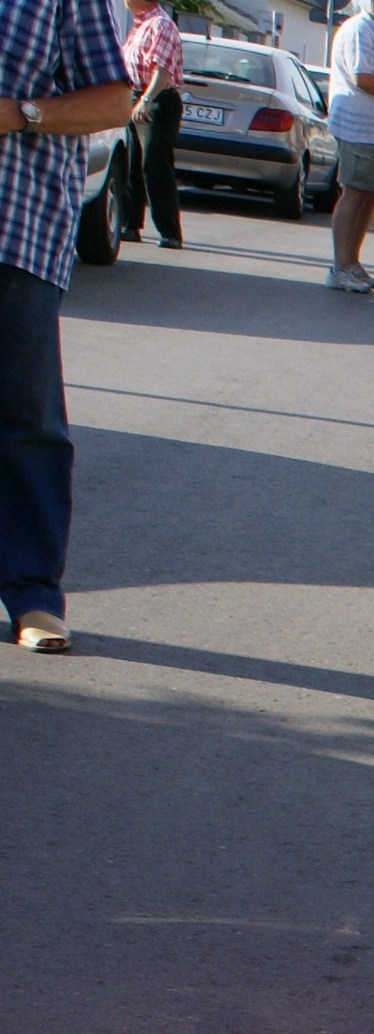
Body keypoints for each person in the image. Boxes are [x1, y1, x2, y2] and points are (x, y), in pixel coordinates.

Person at [0, 0, 132, 654]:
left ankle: (32, 593)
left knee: (26, 417)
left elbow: (115, 101)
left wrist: (22, 113)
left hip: (15, 230)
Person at [323, 0, 374, 294]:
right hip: (359, 128)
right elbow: (363, 78)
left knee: (370, 194)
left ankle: (352, 263)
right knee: (355, 192)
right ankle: (340, 267)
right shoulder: (359, 29)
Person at [116, 0, 179, 250]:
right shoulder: (140, 24)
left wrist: (146, 100)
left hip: (156, 99)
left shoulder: (160, 24)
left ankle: (169, 232)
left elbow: (162, 70)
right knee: (132, 163)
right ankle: (130, 225)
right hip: (135, 97)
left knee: (154, 163)